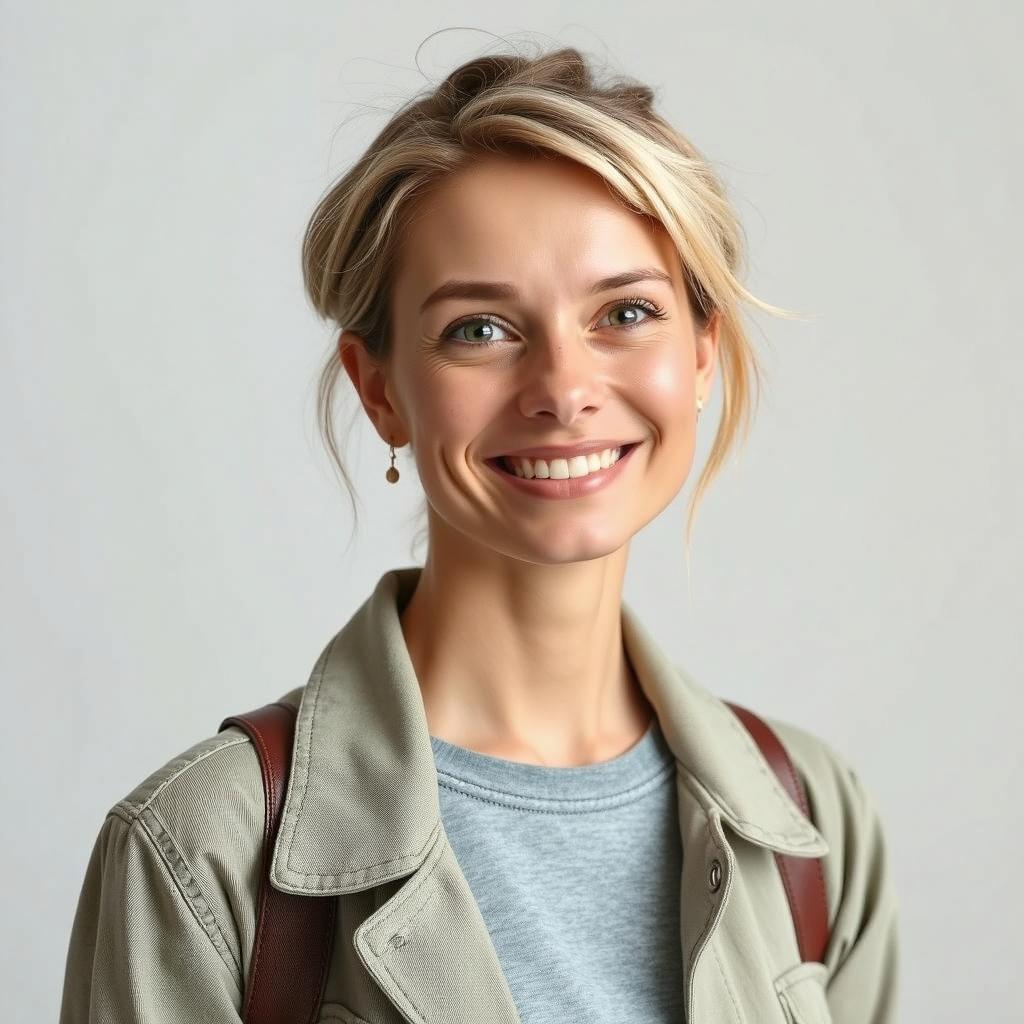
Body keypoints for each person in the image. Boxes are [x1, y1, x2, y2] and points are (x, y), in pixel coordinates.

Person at [59, 45, 899, 1023]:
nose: (564, 390)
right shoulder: (205, 849)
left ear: (701, 354)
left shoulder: (811, 823)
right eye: (481, 329)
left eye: (624, 312)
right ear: (380, 389)